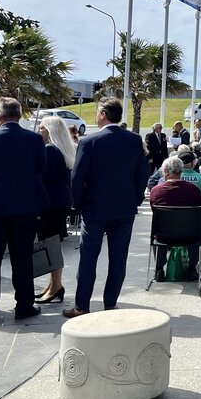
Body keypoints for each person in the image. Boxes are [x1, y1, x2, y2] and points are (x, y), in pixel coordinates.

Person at [65, 97, 150, 318]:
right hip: (124, 209)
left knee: (88, 257)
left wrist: (78, 204)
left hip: (94, 209)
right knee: (118, 258)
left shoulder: (89, 142)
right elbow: (143, 174)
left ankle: (82, 305)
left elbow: (77, 177)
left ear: (103, 114)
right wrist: (135, 200)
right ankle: (110, 304)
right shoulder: (133, 140)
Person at [0, 97, 49, 324]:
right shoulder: (34, 139)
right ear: (19, 114)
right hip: (25, 206)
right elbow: (41, 168)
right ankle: (24, 305)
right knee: (22, 257)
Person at [35, 115, 75, 304]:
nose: (38, 131)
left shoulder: (50, 151)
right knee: (53, 243)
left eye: (41, 128)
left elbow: (40, 176)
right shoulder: (60, 149)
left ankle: (56, 285)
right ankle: (53, 284)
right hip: (58, 203)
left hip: (50, 204)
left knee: (50, 244)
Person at [149, 156, 201, 282]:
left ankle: (159, 269)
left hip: (164, 236)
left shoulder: (156, 191)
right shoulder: (194, 190)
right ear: (181, 171)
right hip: (190, 235)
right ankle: (191, 268)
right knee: (196, 229)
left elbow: (154, 211)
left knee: (158, 229)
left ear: (166, 172)